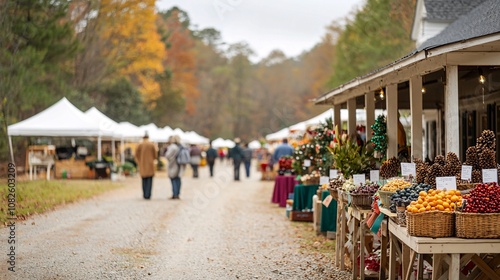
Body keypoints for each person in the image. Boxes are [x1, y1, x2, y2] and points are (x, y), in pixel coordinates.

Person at [135, 133, 157, 199]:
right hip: (150, 164)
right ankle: (148, 194)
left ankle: (144, 194)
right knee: (149, 180)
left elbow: (136, 154)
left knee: (144, 180)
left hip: (142, 164)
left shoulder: (140, 144)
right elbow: (155, 154)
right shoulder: (151, 144)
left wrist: (139, 161)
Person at [165, 135, 184, 199]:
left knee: (173, 179)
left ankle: (174, 193)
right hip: (179, 164)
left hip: (173, 164)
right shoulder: (181, 146)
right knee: (178, 179)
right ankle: (177, 193)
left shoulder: (173, 147)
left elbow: (167, 155)